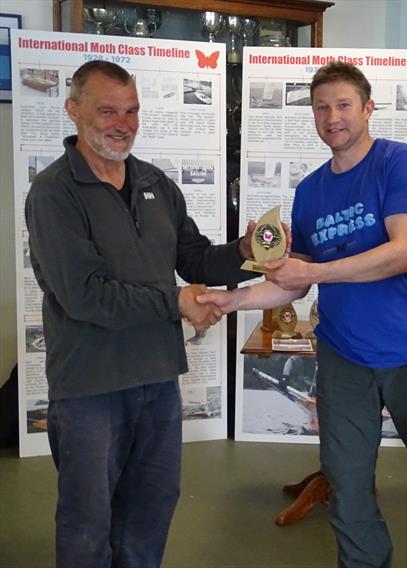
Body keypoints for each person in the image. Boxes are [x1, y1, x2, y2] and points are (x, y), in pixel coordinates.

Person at [199, 61, 407, 568]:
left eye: (344, 104)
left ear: (367, 108)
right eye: (322, 107)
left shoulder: (399, 162)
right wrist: (232, 299)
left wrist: (320, 273)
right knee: (347, 485)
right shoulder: (310, 190)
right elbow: (297, 277)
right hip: (344, 360)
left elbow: (402, 251)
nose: (333, 116)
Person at [25, 61, 255, 567]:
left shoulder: (155, 183)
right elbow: (83, 294)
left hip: (156, 379)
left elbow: (193, 258)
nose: (122, 123)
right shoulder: (53, 192)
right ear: (73, 110)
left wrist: (245, 249)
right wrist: (175, 301)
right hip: (89, 388)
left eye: (131, 111)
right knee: (88, 523)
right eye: (107, 110)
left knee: (151, 510)